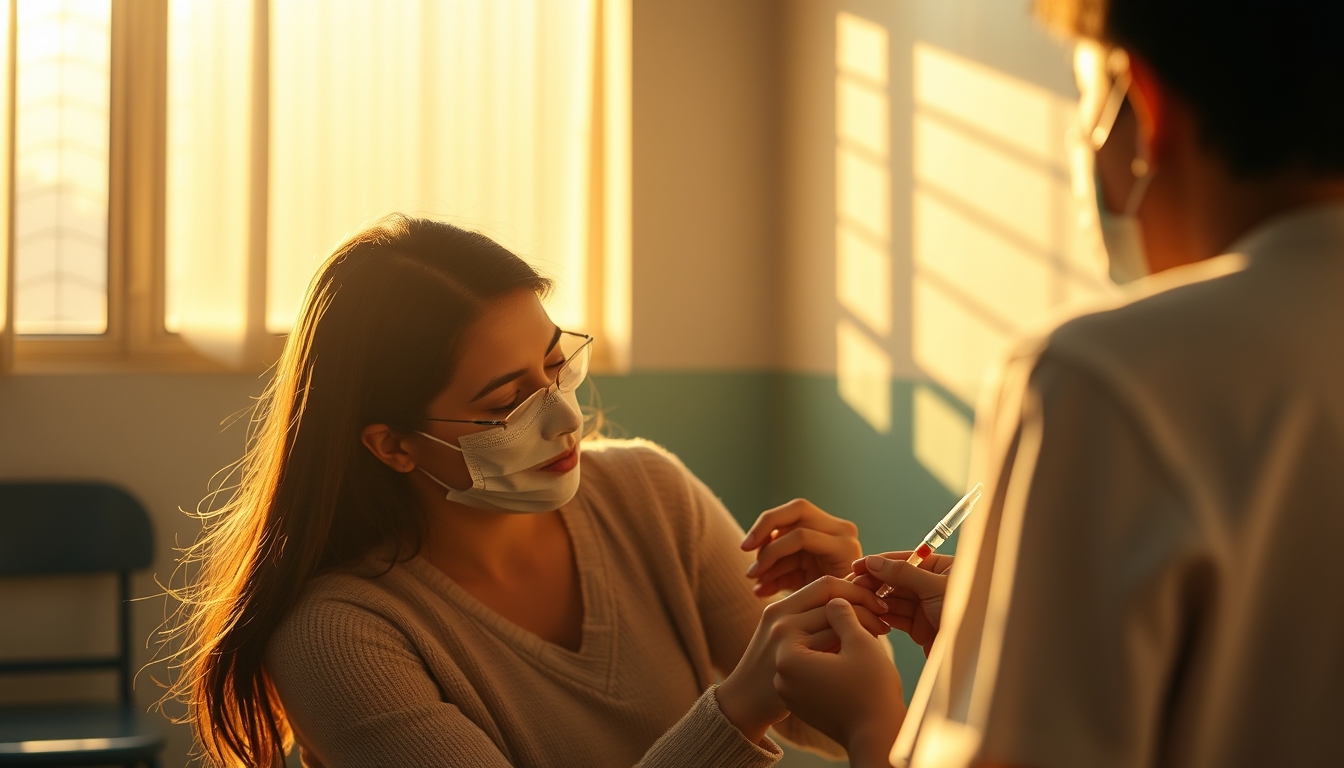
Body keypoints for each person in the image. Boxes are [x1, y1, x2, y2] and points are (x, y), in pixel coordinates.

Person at [770, 0, 1344, 766]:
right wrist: (998, 643)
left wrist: (878, 728)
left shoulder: (1107, 377)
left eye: (1089, 99)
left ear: (1145, 103)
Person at [166, 215, 895, 767]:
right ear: (391, 444)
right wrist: (736, 709)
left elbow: (822, 719)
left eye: (555, 367)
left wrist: (844, 620)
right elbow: (773, 703)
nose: (566, 418)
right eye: (506, 402)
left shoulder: (650, 492)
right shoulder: (340, 637)